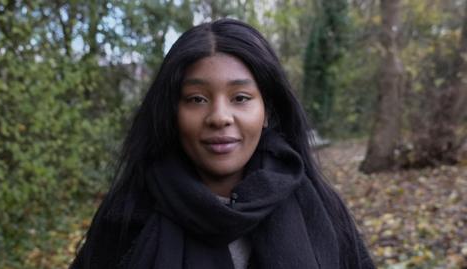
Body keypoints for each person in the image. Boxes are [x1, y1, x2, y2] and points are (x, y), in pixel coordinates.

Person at [71, 19, 375, 269]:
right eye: (196, 99)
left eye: (240, 98)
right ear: (172, 113)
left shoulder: (320, 208)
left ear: (266, 111)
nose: (219, 117)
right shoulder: (127, 216)